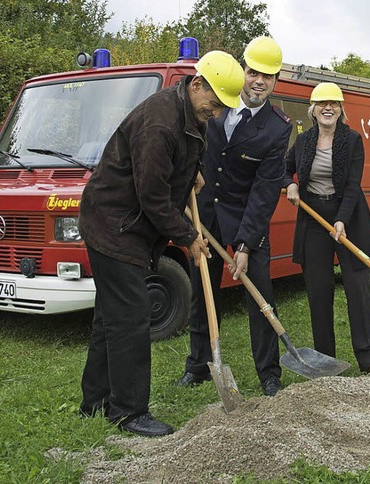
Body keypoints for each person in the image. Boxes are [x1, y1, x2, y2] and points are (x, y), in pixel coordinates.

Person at [78, 50, 244, 437]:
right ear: (197, 84)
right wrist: (189, 237)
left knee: (110, 317)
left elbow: (181, 158)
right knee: (133, 316)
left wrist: (193, 175)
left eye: (222, 108)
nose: (216, 113)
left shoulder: (191, 113)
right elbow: (152, 194)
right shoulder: (161, 122)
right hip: (114, 225)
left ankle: (95, 401)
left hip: (126, 223)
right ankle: (129, 411)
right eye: (215, 104)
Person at [175, 37, 292, 396]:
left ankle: (269, 373)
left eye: (267, 77)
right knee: (202, 291)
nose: (258, 81)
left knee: (260, 295)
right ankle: (198, 365)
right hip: (204, 214)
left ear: (275, 82)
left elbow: (266, 188)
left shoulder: (278, 126)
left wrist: (245, 242)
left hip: (247, 219)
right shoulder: (215, 101)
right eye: (253, 72)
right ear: (243, 70)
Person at [284, 82, 370, 374]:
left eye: (334, 103)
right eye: (322, 103)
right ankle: (324, 359)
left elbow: (352, 186)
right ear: (313, 110)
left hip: (349, 217)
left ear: (341, 109)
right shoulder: (303, 141)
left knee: (357, 287)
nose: (328, 108)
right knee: (319, 288)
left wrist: (341, 218)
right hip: (314, 217)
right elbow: (283, 166)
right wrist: (290, 183)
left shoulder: (352, 139)